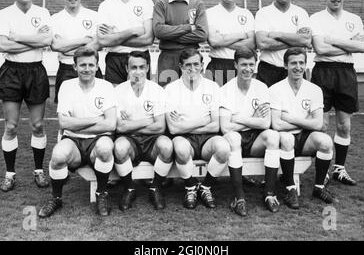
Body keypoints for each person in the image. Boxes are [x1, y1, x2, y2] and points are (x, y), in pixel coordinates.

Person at [38, 47, 116, 218]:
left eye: (90, 65)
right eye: (82, 65)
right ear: (75, 67)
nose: (86, 69)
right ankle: (56, 198)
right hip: (73, 141)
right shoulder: (67, 86)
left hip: (98, 140)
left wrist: (76, 125)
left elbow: (110, 124)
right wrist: (95, 119)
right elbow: (64, 123)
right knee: (58, 155)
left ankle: (101, 194)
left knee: (105, 148)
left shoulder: (106, 86)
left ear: (97, 66)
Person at [0, 0, 52, 192]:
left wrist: (16, 37)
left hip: (35, 71)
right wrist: (34, 41)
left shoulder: (43, 12)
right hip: (11, 71)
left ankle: (39, 170)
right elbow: (3, 46)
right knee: (11, 126)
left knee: (38, 125)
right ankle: (10, 174)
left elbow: (47, 41)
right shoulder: (4, 13)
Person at [310, 0, 364, 186]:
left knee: (344, 125)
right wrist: (348, 44)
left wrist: (332, 40)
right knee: (321, 124)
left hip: (345, 72)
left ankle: (339, 169)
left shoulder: (354, 19)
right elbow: (320, 49)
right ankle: (322, 170)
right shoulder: (315, 18)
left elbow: (361, 47)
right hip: (323, 71)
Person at [269, 47, 337, 209]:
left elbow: (318, 124)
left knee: (326, 142)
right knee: (286, 138)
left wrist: (289, 117)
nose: (298, 67)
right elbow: (276, 124)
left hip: (306, 139)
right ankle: (290, 189)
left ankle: (319, 187)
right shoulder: (275, 89)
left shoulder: (314, 90)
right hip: (284, 138)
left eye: (301, 62)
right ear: (285, 66)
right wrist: (305, 121)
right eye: (293, 63)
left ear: (306, 65)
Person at [165, 48, 230, 209]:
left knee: (223, 148)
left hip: (208, 139)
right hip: (185, 140)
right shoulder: (171, 89)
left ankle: (205, 187)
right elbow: (173, 130)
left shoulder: (213, 87)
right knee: (180, 147)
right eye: (188, 65)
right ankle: (190, 187)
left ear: (202, 65)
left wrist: (184, 125)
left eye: (196, 64)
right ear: (180, 66)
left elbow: (215, 126)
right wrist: (203, 120)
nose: (192, 69)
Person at [220, 48, 281, 216]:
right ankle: (238, 197)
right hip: (235, 139)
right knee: (232, 137)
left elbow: (265, 122)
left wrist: (237, 118)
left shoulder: (261, 87)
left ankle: (269, 194)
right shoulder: (226, 89)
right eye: (243, 65)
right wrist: (251, 118)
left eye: (251, 64)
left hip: (255, 141)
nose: (247, 69)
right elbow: (225, 127)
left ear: (256, 65)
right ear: (235, 65)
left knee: (273, 136)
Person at [113, 51, 174, 211]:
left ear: (148, 68)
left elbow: (160, 127)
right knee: (119, 148)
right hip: (130, 141)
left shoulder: (157, 90)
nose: (138, 72)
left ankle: (155, 188)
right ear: (127, 68)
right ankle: (129, 188)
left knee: (167, 146)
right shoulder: (118, 91)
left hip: (152, 140)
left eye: (141, 67)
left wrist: (131, 123)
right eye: (133, 67)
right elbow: (120, 127)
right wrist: (148, 119)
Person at [97, 0, 154, 86]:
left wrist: (115, 37)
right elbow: (103, 41)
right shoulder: (105, 6)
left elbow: (148, 39)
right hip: (115, 58)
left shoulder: (145, 2)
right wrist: (132, 31)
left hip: (140, 57)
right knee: (116, 101)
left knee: (139, 99)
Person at [153, 0, 208, 87]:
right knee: (166, 95)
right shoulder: (161, 5)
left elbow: (202, 34)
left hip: (192, 57)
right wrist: (188, 27)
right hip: (168, 58)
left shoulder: (198, 5)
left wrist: (169, 35)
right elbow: (159, 31)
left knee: (192, 94)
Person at [255, 0, 311, 87]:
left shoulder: (301, 13)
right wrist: (294, 40)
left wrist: (278, 35)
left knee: (295, 104)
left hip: (295, 70)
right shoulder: (263, 13)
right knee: (266, 104)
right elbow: (262, 43)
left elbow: (305, 41)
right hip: (269, 69)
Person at [51, 0, 103, 104]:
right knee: (66, 113)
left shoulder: (94, 16)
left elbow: (98, 44)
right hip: (66, 70)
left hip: (91, 68)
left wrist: (67, 48)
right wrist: (84, 40)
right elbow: (57, 46)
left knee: (96, 109)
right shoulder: (54, 19)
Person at [206, 0, 255, 86]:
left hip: (240, 66)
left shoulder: (246, 14)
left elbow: (252, 44)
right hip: (217, 64)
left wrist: (222, 39)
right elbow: (214, 41)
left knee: (238, 101)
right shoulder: (210, 13)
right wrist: (241, 35)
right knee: (215, 101)